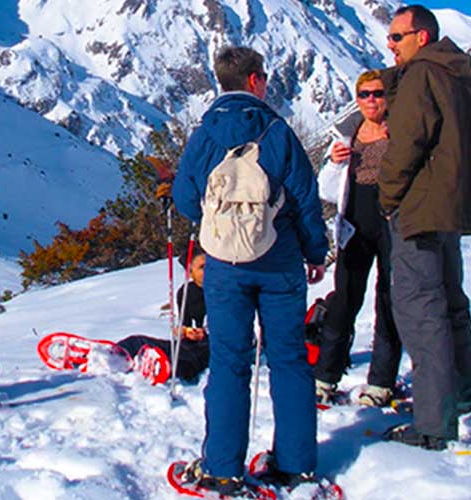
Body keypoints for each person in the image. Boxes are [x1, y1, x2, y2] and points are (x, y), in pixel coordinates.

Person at [171, 46, 329, 494]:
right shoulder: (278, 131)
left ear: (220, 82)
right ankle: (297, 465)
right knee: (289, 361)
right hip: (279, 263)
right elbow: (305, 199)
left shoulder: (205, 134)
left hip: (224, 265)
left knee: (228, 364)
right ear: (256, 80)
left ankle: (222, 467)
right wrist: (315, 253)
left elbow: (185, 198)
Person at [377, 5, 471, 450]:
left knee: (419, 310)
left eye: (397, 37)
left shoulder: (422, 75)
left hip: (420, 207)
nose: (390, 45)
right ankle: (459, 396)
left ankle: (432, 421)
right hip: (452, 208)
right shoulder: (464, 74)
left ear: (421, 37)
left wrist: (387, 197)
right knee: (451, 304)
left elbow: (407, 142)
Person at [313, 69, 402, 407]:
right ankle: (325, 376)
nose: (370, 101)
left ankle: (381, 381)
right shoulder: (348, 135)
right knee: (344, 301)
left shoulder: (401, 132)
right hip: (354, 224)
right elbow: (328, 191)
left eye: (377, 93)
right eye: (364, 94)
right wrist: (335, 165)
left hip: (392, 224)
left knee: (388, 301)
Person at [116, 252, 210, 381]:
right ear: (190, 272)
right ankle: (109, 356)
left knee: (189, 362)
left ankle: (160, 366)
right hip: (190, 344)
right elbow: (185, 323)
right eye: (202, 267)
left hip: (215, 345)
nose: (209, 270)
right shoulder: (186, 292)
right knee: (136, 341)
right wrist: (184, 331)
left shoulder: (225, 290)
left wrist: (205, 332)